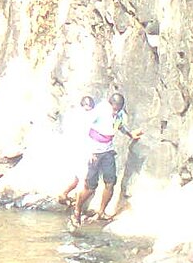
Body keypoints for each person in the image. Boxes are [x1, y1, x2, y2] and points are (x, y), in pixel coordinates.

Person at [72, 92, 142, 224]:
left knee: (110, 183)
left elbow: (119, 125)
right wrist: (89, 151)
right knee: (90, 187)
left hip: (108, 151)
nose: (116, 111)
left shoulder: (119, 114)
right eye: (114, 109)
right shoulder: (100, 111)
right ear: (110, 105)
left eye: (118, 109)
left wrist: (130, 134)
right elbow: (83, 128)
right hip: (94, 152)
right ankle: (77, 210)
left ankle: (101, 212)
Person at [57, 94, 95, 206]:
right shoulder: (80, 117)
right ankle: (78, 205)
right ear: (82, 106)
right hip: (80, 150)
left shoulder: (81, 116)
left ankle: (64, 194)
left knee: (78, 177)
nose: (88, 111)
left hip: (79, 149)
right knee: (83, 178)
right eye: (87, 109)